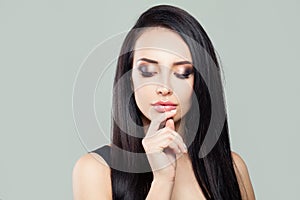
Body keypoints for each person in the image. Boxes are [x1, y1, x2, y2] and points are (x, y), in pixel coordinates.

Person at [72, 4, 256, 200]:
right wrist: (163, 179)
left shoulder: (232, 167)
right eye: (148, 71)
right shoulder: (96, 169)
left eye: (182, 73)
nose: (164, 87)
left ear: (199, 84)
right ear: (129, 79)